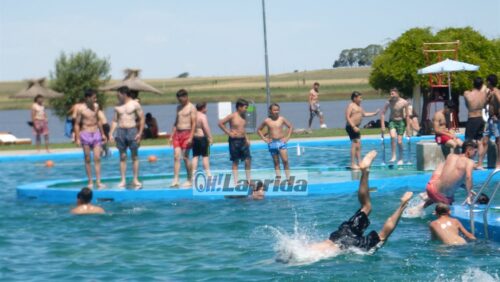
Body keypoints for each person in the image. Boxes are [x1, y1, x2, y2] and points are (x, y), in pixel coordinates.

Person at [305, 151, 413, 254]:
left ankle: (401, 204)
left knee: (378, 229)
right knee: (368, 212)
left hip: (344, 242)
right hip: (346, 240)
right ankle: (365, 172)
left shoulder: (303, 253)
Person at [413, 140, 477, 214]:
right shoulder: (469, 162)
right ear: (469, 150)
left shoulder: (451, 156)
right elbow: (468, 177)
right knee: (446, 207)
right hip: (442, 196)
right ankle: (436, 213)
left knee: (440, 191)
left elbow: (449, 176)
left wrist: (466, 187)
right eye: (475, 152)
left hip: (431, 186)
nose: (475, 155)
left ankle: (419, 206)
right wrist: (469, 194)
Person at [109, 86, 145, 189]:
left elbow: (142, 118)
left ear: (124, 94)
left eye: (118, 94)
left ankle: (135, 179)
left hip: (132, 130)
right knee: (122, 156)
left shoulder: (135, 104)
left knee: (134, 156)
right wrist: (111, 133)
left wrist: (140, 132)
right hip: (120, 131)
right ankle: (123, 180)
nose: (117, 96)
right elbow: (115, 121)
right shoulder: (118, 106)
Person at [74, 89, 107, 189]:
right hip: (85, 133)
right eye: (93, 98)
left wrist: (103, 134)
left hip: (96, 133)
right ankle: (90, 181)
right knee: (88, 158)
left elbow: (98, 121)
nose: (95, 100)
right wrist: (77, 138)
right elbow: (76, 124)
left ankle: (98, 181)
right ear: (87, 98)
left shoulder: (96, 106)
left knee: (97, 158)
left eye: (95, 98)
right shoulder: (81, 109)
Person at [218, 98, 251, 185]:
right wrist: (229, 133)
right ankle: (236, 182)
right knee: (235, 161)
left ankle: (249, 180)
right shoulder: (232, 116)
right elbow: (220, 123)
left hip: (243, 140)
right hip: (234, 141)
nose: (246, 109)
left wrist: (247, 138)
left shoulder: (244, 116)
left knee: (248, 160)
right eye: (245, 107)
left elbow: (243, 128)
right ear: (239, 107)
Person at [257, 103, 293, 181]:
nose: (276, 111)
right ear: (270, 111)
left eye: (278, 110)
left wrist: (287, 137)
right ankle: (278, 178)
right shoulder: (267, 120)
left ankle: (288, 178)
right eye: (274, 110)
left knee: (285, 161)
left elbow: (290, 126)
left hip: (281, 142)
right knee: (276, 162)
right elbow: (259, 130)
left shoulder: (281, 119)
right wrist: (264, 138)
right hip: (272, 143)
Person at [345, 91, 379, 169]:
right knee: (355, 143)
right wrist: (353, 126)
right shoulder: (351, 105)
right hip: (351, 127)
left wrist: (374, 113)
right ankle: (353, 164)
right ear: (354, 98)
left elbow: (364, 114)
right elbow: (347, 117)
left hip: (356, 127)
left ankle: (359, 162)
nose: (361, 99)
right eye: (360, 98)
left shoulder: (359, 106)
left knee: (359, 145)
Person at [170, 89, 197, 188]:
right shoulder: (178, 107)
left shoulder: (191, 108)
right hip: (178, 134)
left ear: (186, 97)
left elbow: (194, 123)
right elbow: (176, 122)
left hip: (187, 133)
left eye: (181, 99)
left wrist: (191, 137)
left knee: (185, 157)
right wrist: (172, 135)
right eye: (179, 100)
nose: (180, 101)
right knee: (176, 157)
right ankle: (176, 179)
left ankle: (189, 179)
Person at [380, 88, 411, 165]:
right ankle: (393, 155)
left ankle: (400, 158)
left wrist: (408, 127)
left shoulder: (404, 102)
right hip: (392, 121)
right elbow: (382, 113)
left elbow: (407, 116)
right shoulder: (389, 102)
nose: (391, 95)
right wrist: (383, 125)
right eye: (390, 94)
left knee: (399, 141)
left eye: (392, 94)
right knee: (393, 137)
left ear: (397, 93)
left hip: (401, 122)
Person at [464, 77, 488, 169]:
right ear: (481, 85)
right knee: (480, 142)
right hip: (481, 118)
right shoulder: (484, 94)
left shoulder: (467, 94)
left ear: (473, 84)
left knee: (468, 141)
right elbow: (484, 87)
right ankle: (480, 164)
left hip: (472, 118)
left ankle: (468, 163)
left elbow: (467, 105)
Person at [482, 74, 500, 168]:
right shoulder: (491, 92)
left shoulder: (496, 92)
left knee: (498, 141)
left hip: (495, 120)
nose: (486, 82)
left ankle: (499, 163)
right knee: (484, 140)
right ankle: (480, 163)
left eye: (487, 81)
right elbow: (485, 104)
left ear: (489, 82)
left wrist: (498, 116)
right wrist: (487, 99)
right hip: (490, 120)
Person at [192, 102, 212, 177]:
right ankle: (208, 174)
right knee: (205, 156)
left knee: (195, 156)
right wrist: (210, 137)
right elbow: (206, 128)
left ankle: (193, 175)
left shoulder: (193, 116)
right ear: (203, 108)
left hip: (194, 138)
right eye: (206, 108)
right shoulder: (202, 116)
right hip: (202, 138)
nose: (206, 109)